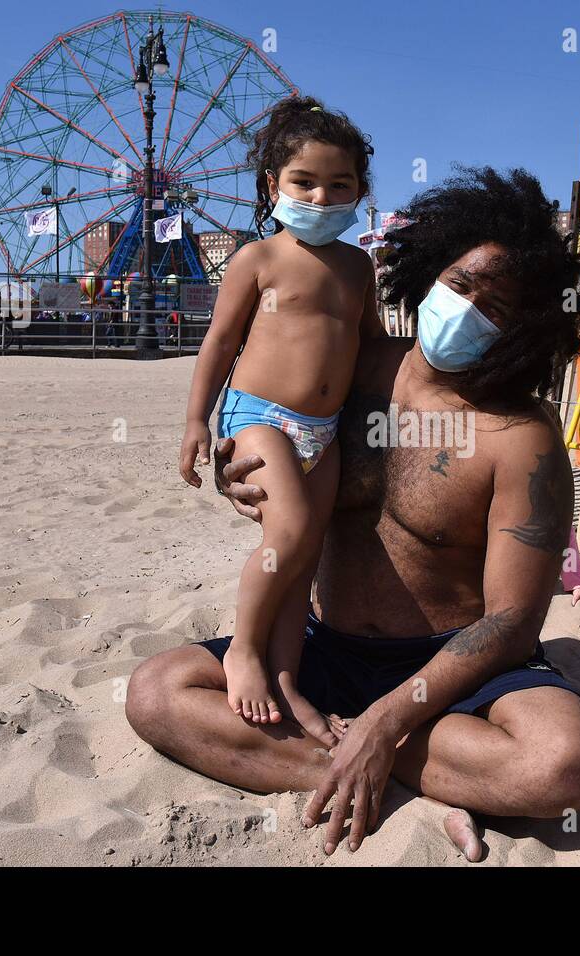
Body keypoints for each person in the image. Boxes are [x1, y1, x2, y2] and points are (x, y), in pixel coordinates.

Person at [130, 167, 580, 859]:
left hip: (452, 667)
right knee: (156, 691)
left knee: (566, 765)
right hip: (320, 647)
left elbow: (511, 623)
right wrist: (240, 475)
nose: (468, 309)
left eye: (497, 308)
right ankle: (420, 779)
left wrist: (387, 723)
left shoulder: (523, 436)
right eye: (461, 284)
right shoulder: (347, 371)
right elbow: (262, 430)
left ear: (528, 330)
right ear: (426, 271)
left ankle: (362, 752)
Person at [177, 95, 379, 743]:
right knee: (287, 535)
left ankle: (288, 679)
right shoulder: (256, 259)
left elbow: (369, 345)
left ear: (360, 190)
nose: (321, 197)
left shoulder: (359, 266)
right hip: (259, 416)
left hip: (326, 430)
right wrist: (195, 423)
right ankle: (243, 652)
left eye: (338, 184)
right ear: (273, 185)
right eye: (304, 182)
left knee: (304, 556)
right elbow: (218, 343)